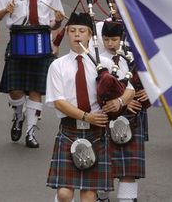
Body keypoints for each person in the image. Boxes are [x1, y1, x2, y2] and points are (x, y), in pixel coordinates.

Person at [46, 12, 134, 202]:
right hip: (69, 130)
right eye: (72, 31)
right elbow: (58, 101)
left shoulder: (105, 64)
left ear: (90, 35)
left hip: (96, 132)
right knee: (64, 193)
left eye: (82, 31)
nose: (77, 35)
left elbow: (130, 90)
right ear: (68, 34)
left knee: (88, 195)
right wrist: (86, 116)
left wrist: (118, 102)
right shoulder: (58, 66)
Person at [0, 0, 64, 148]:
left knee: (36, 89)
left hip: (41, 41)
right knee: (15, 89)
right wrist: (6, 10)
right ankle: (18, 115)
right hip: (18, 40)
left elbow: (56, 23)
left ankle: (31, 132)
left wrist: (57, 21)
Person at [99, 21, 148, 202]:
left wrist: (148, 93)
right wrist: (124, 102)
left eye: (114, 39)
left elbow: (147, 84)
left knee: (129, 170)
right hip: (105, 117)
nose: (110, 43)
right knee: (104, 165)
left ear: (122, 38)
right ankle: (101, 198)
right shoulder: (97, 59)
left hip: (131, 119)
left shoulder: (133, 59)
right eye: (106, 39)